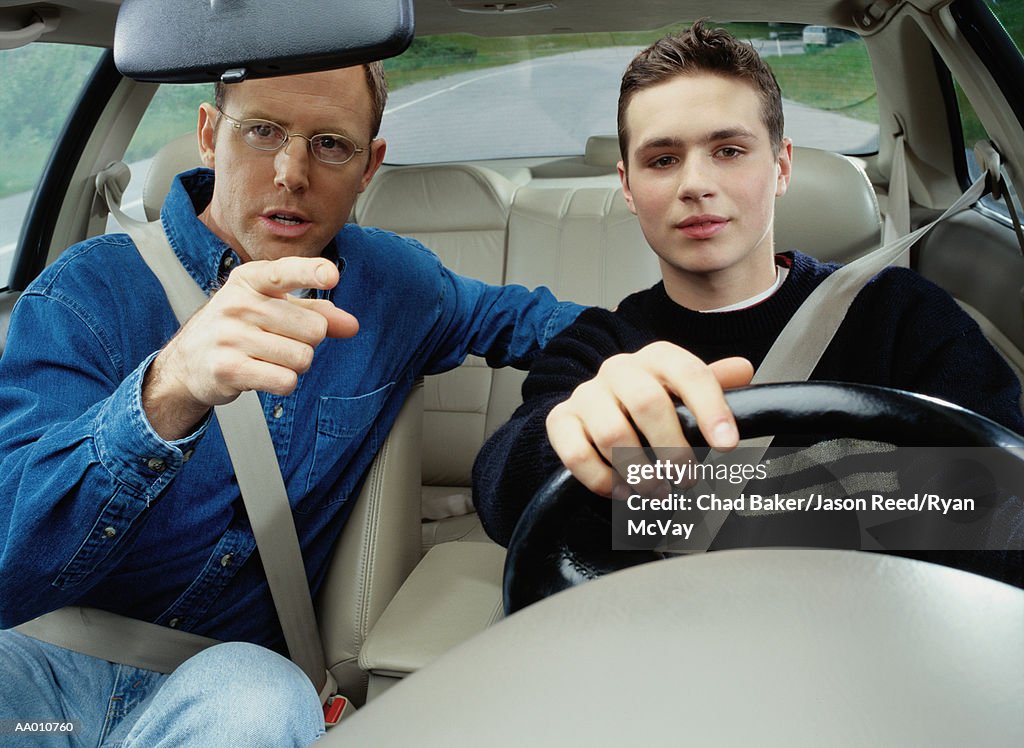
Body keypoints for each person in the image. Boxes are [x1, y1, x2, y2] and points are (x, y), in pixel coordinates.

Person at [0, 62, 739, 746]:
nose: (291, 173)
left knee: (262, 698)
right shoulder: (84, 294)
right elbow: (10, 555)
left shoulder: (396, 285)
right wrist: (165, 391)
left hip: (222, 677)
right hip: (36, 665)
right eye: (261, 132)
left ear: (368, 167)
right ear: (206, 136)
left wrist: (662, 368)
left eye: (330, 145)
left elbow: (540, 323)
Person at [473, 23, 1024, 567]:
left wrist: (676, 504)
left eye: (729, 151)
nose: (695, 184)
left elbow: (1005, 500)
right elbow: (503, 495)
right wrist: (577, 432)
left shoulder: (897, 311)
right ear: (628, 186)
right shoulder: (600, 347)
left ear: (781, 167)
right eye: (662, 160)